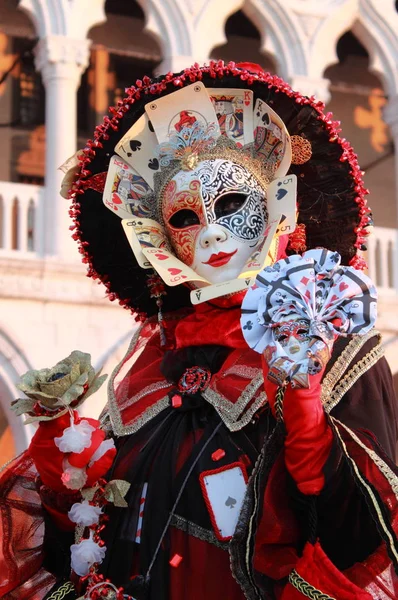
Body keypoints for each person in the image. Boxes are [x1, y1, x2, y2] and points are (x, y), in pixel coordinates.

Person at [1, 61, 398, 600]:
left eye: (232, 204)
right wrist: (66, 480)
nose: (211, 230)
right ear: (157, 235)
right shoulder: (149, 364)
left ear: (278, 203)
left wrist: (308, 424)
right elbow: (97, 541)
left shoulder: (333, 340)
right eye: (185, 216)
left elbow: (364, 541)